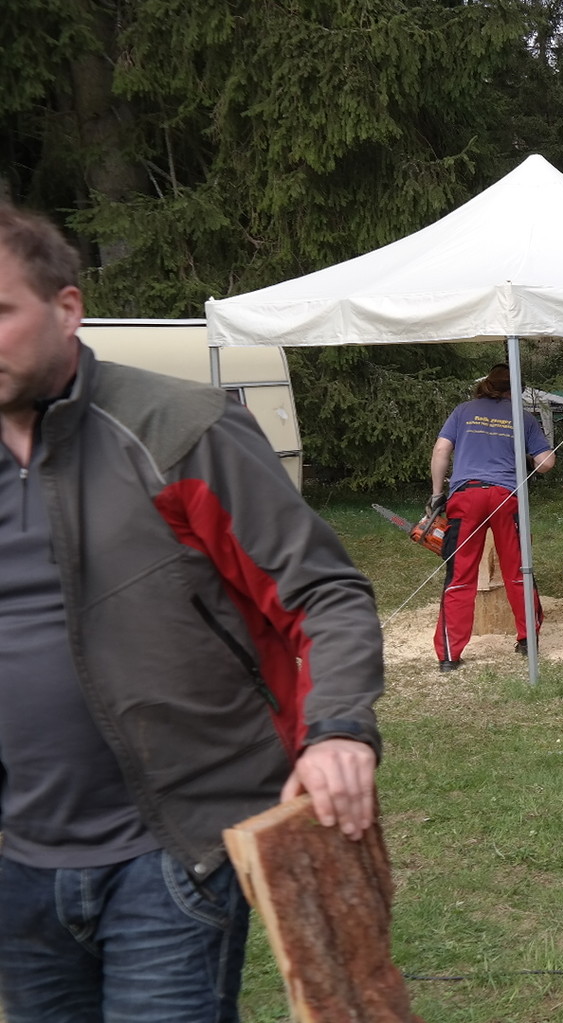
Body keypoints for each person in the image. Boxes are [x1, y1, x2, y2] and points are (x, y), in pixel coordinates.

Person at [0, 202, 384, 1021]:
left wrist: (340, 726)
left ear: (67, 308)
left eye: (0, 312)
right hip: (17, 865)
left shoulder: (178, 431)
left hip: (175, 848)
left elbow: (325, 590)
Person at [430, 363, 556, 669]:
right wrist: (525, 454)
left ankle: (449, 655)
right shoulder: (523, 417)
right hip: (504, 496)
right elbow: (547, 464)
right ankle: (527, 640)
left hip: (466, 495)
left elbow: (441, 451)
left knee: (460, 576)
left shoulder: (463, 410)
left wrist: (436, 495)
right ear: (515, 390)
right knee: (518, 570)